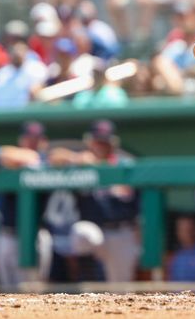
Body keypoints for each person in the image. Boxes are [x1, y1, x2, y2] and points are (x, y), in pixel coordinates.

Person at [49, 120, 140, 283]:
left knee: (121, 289)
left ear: (112, 143)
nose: (100, 145)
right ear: (89, 142)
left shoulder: (124, 165)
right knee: (81, 232)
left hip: (121, 232)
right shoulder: (82, 162)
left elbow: (140, 207)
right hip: (96, 231)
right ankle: (86, 272)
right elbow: (53, 156)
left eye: (104, 142)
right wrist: (76, 158)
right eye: (97, 141)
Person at [0, 121, 53, 289]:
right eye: (28, 138)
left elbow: (31, 157)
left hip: (34, 235)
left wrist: (0, 153)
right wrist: (4, 156)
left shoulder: (45, 160)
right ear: (21, 140)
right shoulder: (7, 161)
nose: (32, 142)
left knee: (33, 290)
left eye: (36, 139)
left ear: (44, 141)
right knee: (7, 291)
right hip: (7, 234)